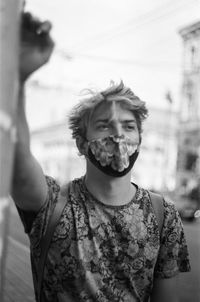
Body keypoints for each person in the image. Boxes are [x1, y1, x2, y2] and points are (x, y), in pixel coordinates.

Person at [12, 12, 191, 302]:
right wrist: (16, 78)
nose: (118, 134)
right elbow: (17, 162)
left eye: (129, 126)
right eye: (104, 125)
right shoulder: (52, 204)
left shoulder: (164, 215)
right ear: (82, 144)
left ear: (139, 141)